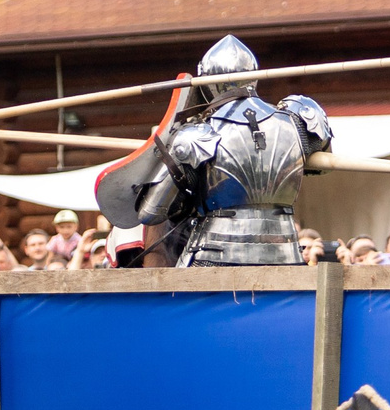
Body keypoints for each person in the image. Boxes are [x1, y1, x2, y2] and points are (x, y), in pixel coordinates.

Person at [96, 35, 333, 266]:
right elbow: (321, 165)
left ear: (208, 82)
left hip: (215, 253)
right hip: (284, 252)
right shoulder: (296, 119)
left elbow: (152, 213)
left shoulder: (197, 136)